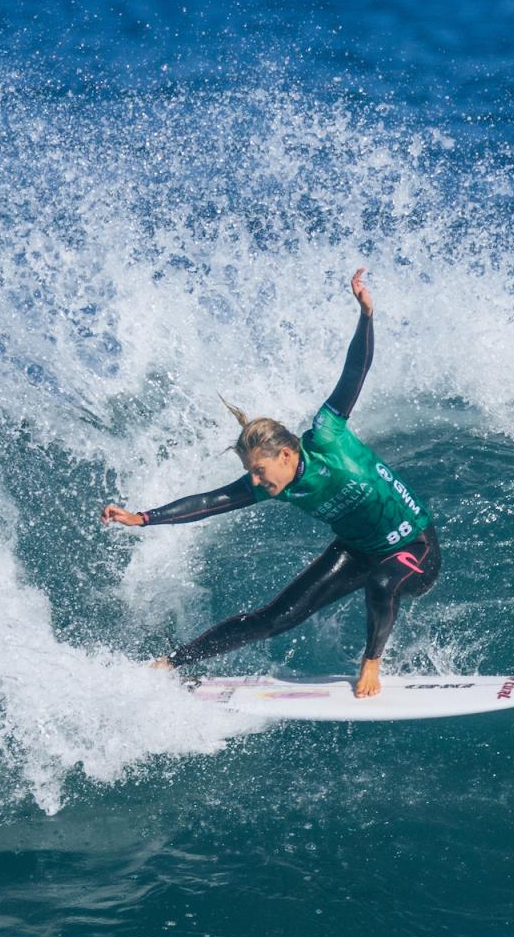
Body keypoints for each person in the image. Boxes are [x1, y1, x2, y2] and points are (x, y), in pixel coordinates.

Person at [102, 268, 440, 698]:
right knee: (278, 616)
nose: (255, 479)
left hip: (415, 547)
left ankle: (371, 663)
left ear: (286, 454)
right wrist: (143, 518)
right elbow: (211, 501)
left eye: (259, 469)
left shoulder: (328, 436)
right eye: (251, 472)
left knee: (382, 583)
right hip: (358, 549)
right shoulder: (270, 484)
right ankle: (171, 663)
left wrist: (366, 316)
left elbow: (355, 370)